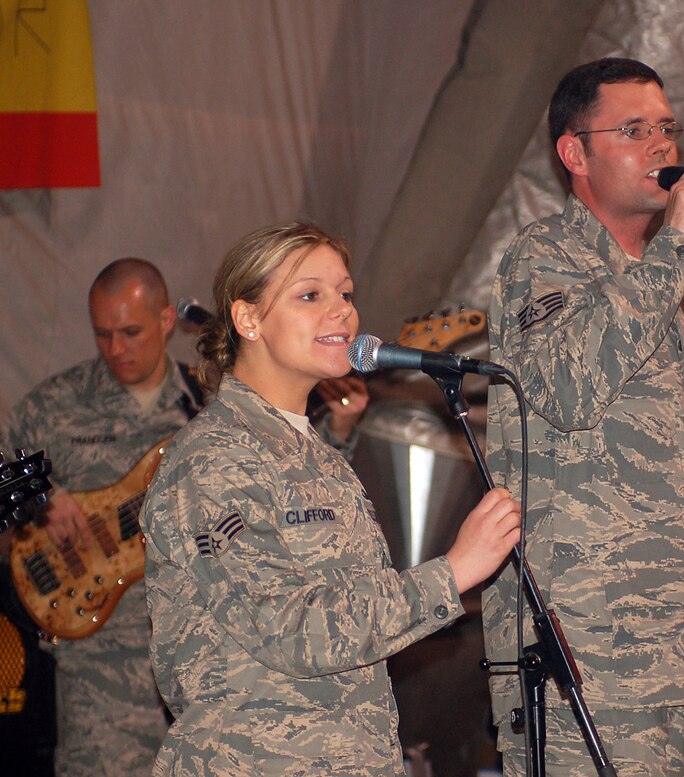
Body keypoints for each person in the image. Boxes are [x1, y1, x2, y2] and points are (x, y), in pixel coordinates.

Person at [139, 221, 521, 775]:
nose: (342, 310)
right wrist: (453, 572)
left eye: (345, 293)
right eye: (310, 295)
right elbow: (288, 629)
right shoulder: (215, 456)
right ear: (248, 319)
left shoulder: (314, 452)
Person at [483, 58, 684, 776]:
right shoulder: (544, 259)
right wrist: (678, 246)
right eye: (633, 131)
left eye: (667, 128)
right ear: (575, 154)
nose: (662, 145)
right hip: (580, 650)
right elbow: (570, 391)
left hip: (666, 652)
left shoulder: (656, 288)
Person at [0, 258, 204, 776]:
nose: (116, 349)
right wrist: (43, 495)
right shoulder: (56, 404)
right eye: (103, 334)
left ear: (166, 321)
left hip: (202, 658)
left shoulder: (208, 403)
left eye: (131, 332)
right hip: (100, 670)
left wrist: (337, 431)